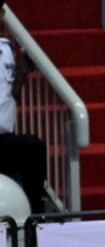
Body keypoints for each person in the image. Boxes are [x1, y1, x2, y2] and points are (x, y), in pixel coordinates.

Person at [0, 0, 46, 214]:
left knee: (32, 147)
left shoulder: (5, 48)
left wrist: (23, 70)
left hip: (3, 137)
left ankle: (35, 222)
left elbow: (11, 95)